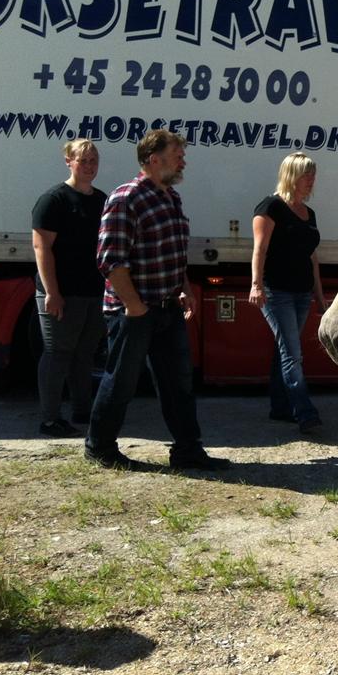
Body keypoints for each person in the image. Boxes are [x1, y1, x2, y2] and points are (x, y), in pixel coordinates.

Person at [86, 129, 229, 471]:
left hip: (167, 308)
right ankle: (100, 448)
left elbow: (173, 252)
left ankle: (188, 451)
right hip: (132, 312)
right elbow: (110, 261)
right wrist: (135, 306)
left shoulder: (170, 197)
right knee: (120, 382)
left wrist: (186, 288)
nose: (183, 159)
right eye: (176, 153)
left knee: (178, 384)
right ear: (153, 159)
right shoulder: (126, 197)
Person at [31, 139, 107, 438]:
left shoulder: (101, 199)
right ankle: (50, 419)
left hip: (93, 291)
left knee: (84, 353)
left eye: (93, 161)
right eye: (82, 160)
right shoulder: (54, 199)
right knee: (57, 352)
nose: (89, 166)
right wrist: (51, 292)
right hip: (61, 293)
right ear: (68, 161)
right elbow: (41, 248)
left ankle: (81, 410)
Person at [249, 152, 326, 433]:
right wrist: (256, 285)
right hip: (276, 291)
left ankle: (279, 407)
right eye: (307, 174)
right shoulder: (270, 207)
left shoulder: (309, 213)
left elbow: (312, 258)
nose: (311, 180)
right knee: (292, 353)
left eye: (313, 174)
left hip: (302, 292)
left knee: (285, 350)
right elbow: (260, 249)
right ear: (291, 176)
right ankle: (304, 412)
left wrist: (319, 296)